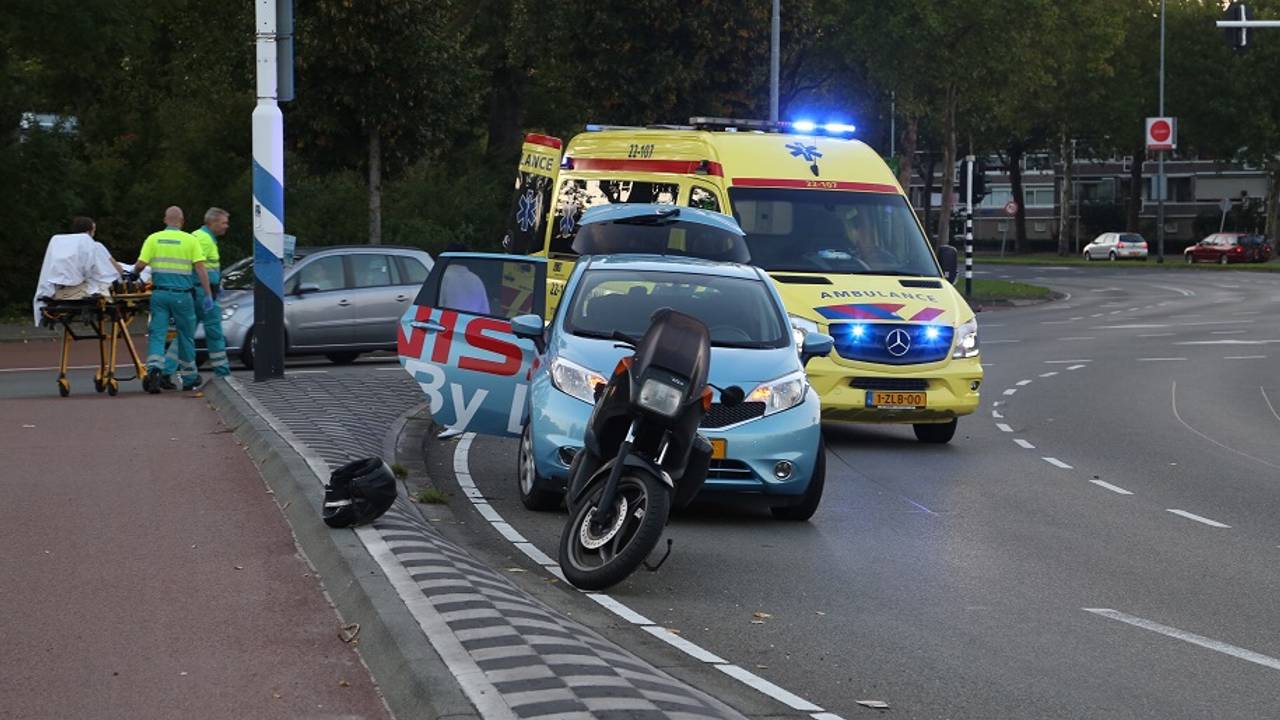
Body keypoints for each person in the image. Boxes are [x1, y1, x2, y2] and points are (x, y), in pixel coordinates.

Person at [132, 206, 213, 393]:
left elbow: (140, 265)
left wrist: (134, 274)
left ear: (165, 220)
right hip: (182, 296)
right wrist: (208, 294)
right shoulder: (190, 241)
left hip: (159, 294)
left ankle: (154, 371)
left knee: (157, 333)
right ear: (182, 222)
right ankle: (189, 378)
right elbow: (201, 269)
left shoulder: (153, 238)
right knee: (185, 336)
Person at [163, 208, 231, 380]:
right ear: (212, 222)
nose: (226, 226)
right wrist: (210, 291)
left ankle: (166, 370)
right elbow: (198, 266)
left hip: (194, 291)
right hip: (204, 293)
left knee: (185, 334)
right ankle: (222, 372)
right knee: (214, 332)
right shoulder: (204, 240)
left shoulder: (198, 236)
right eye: (223, 223)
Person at [32, 216, 121, 326]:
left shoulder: (60, 244)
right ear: (90, 232)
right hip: (86, 290)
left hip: (60, 291)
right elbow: (114, 269)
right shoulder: (95, 246)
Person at [438, 241, 491, 315]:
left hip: (447, 323)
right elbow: (485, 312)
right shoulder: (477, 280)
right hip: (470, 324)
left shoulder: (442, 278)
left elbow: (436, 310)